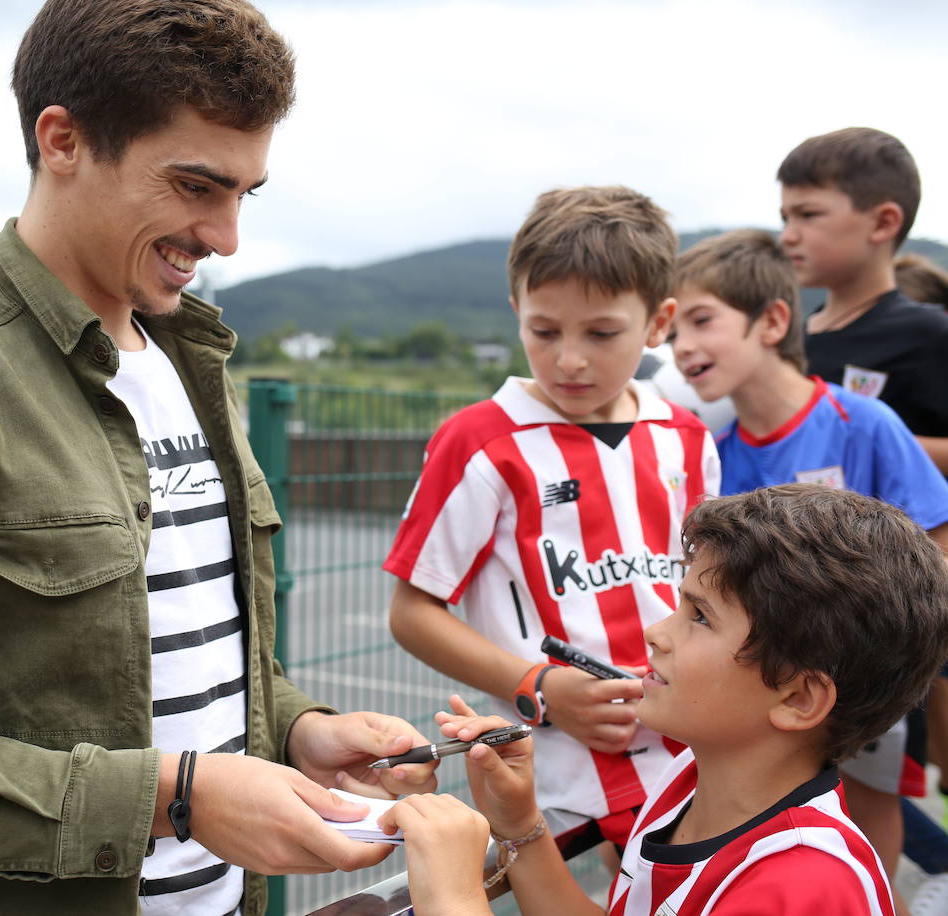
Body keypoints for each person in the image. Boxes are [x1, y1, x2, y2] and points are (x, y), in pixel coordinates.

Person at [0, 2, 436, 913]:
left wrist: (299, 730)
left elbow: (178, 662)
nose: (227, 236)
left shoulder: (193, 367)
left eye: (245, 192)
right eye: (197, 185)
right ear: (63, 140)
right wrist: (178, 797)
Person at [381, 484, 948, 915]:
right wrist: (518, 823)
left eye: (700, 616)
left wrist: (452, 896)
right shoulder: (685, 785)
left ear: (798, 698)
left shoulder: (800, 887)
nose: (656, 632)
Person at [384, 186, 720, 856]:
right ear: (516, 312)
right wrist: (540, 685)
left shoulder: (687, 438)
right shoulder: (480, 440)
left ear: (659, 323)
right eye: (544, 331)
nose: (569, 358)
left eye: (601, 333)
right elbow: (411, 611)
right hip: (558, 772)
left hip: (692, 750)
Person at [667, 228, 948, 905]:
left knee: (870, 814)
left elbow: (937, 549)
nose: (682, 348)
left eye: (701, 320)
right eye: (673, 329)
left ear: (773, 320)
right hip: (758, 694)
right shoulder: (709, 452)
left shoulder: (864, 422)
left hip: (860, 685)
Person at [778, 127, 948, 474]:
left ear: (883, 223)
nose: (788, 236)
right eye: (786, 218)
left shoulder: (930, 333)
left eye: (808, 214)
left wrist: (869, 439)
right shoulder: (788, 339)